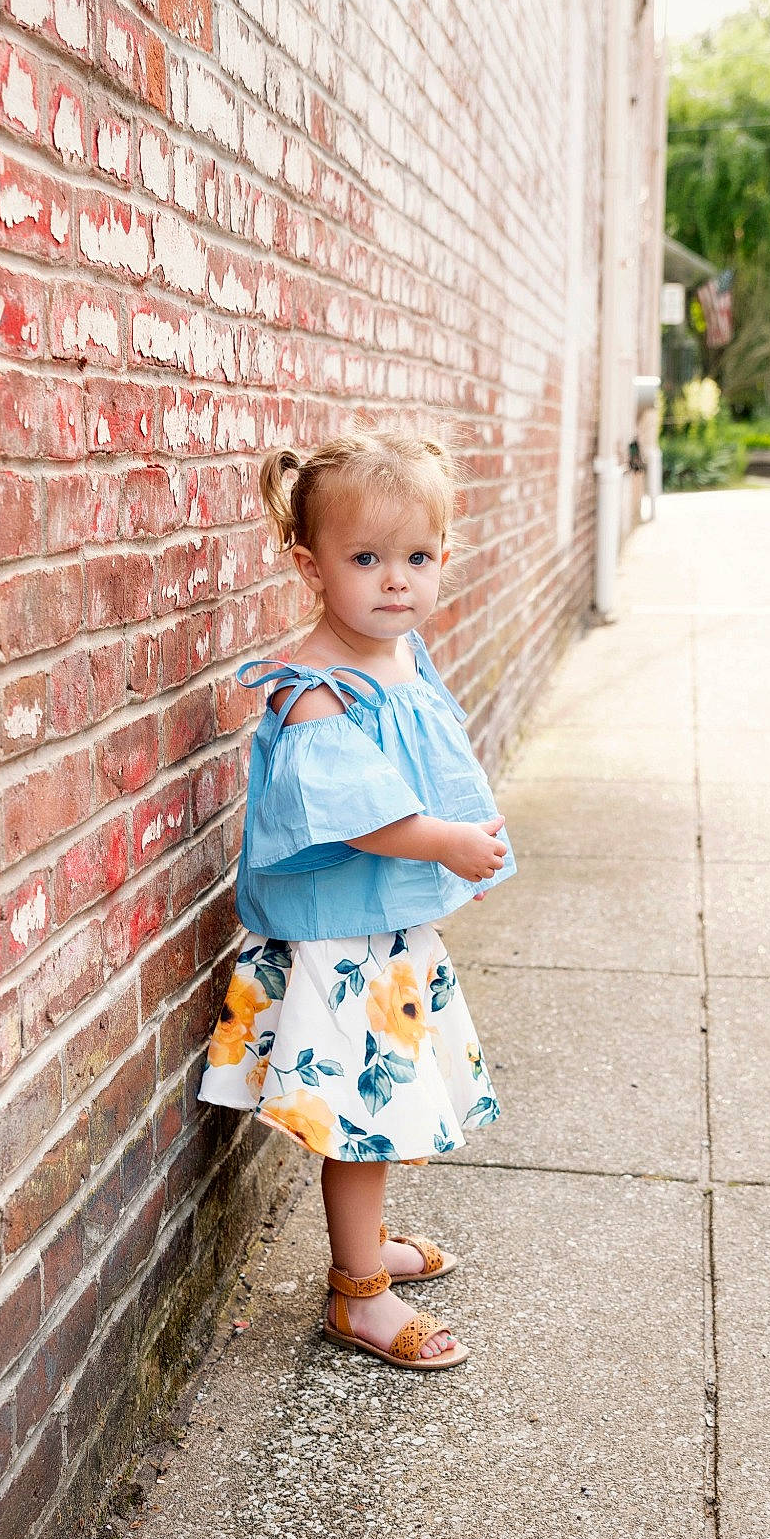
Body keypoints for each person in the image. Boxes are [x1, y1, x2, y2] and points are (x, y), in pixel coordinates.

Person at [199, 431, 514, 1372]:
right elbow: (363, 818)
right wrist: (447, 840)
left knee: (387, 1108)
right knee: (363, 1119)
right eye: (365, 560)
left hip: (385, 932)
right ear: (310, 566)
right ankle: (357, 1297)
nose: (394, 582)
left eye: (417, 558)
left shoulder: (399, 652)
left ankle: (366, 1250)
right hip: (343, 947)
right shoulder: (315, 695)